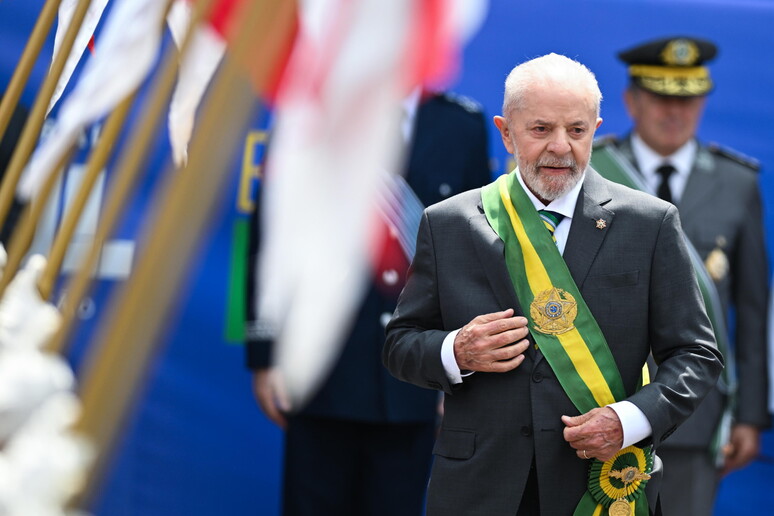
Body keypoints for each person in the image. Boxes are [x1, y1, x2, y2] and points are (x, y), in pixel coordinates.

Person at [382, 53, 723, 516]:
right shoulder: (449, 223)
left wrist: (629, 421)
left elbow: (696, 355)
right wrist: (456, 351)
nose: (561, 147)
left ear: (596, 128)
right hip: (481, 488)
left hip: (602, 482)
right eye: (541, 129)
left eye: (577, 130)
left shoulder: (650, 223)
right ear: (506, 131)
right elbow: (400, 344)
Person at [245, 90, 492, 515]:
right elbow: (269, 239)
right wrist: (265, 354)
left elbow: (471, 256)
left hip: (416, 375)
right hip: (319, 365)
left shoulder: (462, 125)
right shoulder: (312, 114)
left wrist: (459, 373)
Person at [592, 36, 770, 516]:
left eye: (687, 99)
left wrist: (751, 416)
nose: (676, 112)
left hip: (696, 409)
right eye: (661, 98)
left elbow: (752, 309)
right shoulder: (591, 172)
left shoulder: (737, 182)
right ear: (631, 101)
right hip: (600, 403)